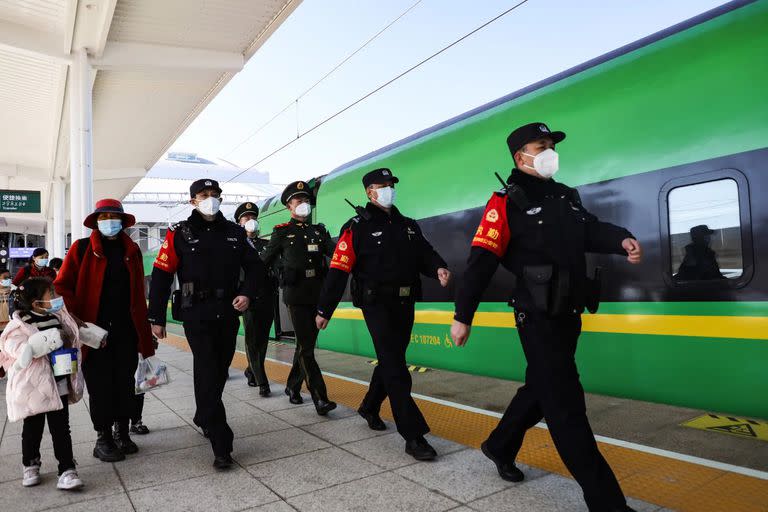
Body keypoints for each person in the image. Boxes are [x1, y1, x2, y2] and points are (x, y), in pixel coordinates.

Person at [451, 122, 642, 512]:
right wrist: (462, 315)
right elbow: (480, 263)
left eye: (552, 144)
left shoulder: (565, 196)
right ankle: (608, 504)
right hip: (536, 315)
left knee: (542, 387)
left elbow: (591, 230)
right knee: (566, 405)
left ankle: (499, 444)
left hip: (569, 310)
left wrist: (621, 240)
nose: (551, 150)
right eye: (542, 145)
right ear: (521, 156)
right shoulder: (505, 202)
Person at [316, 168, 451, 461]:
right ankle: (413, 435)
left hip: (405, 302)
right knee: (395, 367)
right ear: (369, 192)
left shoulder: (408, 226)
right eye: (382, 185)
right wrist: (325, 308)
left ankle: (369, 405)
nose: (388, 189)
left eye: (391, 184)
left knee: (393, 360)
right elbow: (339, 269)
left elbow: (425, 253)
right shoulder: (355, 227)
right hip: (376, 305)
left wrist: (437, 267)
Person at [148, 179, 266, 470]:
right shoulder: (179, 234)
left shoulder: (236, 233)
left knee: (218, 371)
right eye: (203, 195)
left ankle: (203, 416)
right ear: (192, 201)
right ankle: (221, 442)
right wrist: (156, 318)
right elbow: (161, 275)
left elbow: (255, 268)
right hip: (195, 313)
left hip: (228, 312)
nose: (210, 199)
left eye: (214, 195)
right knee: (207, 369)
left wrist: (247, 294)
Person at [55, 199, 156, 462]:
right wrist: (73, 317)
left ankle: (122, 432)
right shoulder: (82, 248)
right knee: (101, 386)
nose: (110, 221)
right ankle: (103, 438)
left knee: (125, 384)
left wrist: (145, 334)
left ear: (123, 221)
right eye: (104, 217)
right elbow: (61, 285)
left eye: (115, 216)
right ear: (96, 222)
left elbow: (137, 294)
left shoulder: (131, 250)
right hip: (93, 333)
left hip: (126, 330)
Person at [0, 277, 85, 490]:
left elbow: (69, 337)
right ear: (37, 303)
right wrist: (40, 344)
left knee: (61, 428)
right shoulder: (20, 324)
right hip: (34, 388)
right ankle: (30, 464)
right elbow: (16, 349)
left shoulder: (56, 318)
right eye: (52, 295)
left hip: (59, 383)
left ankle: (67, 470)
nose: (56, 298)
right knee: (32, 428)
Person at [261, 181, 337, 416]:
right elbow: (264, 258)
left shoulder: (319, 231)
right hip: (296, 295)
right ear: (289, 207)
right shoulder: (282, 231)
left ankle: (293, 386)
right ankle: (320, 398)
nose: (303, 205)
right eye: (298, 201)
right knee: (307, 348)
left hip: (318, 293)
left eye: (306, 201)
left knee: (306, 345)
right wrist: (280, 269)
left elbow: (334, 254)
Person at [235, 201, 278, 396]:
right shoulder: (235, 247)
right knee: (252, 340)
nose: (251, 221)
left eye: (253, 218)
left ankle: (251, 370)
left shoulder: (266, 245)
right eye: (246, 218)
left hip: (267, 296)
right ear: (239, 223)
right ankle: (263, 382)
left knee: (262, 339)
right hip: (248, 299)